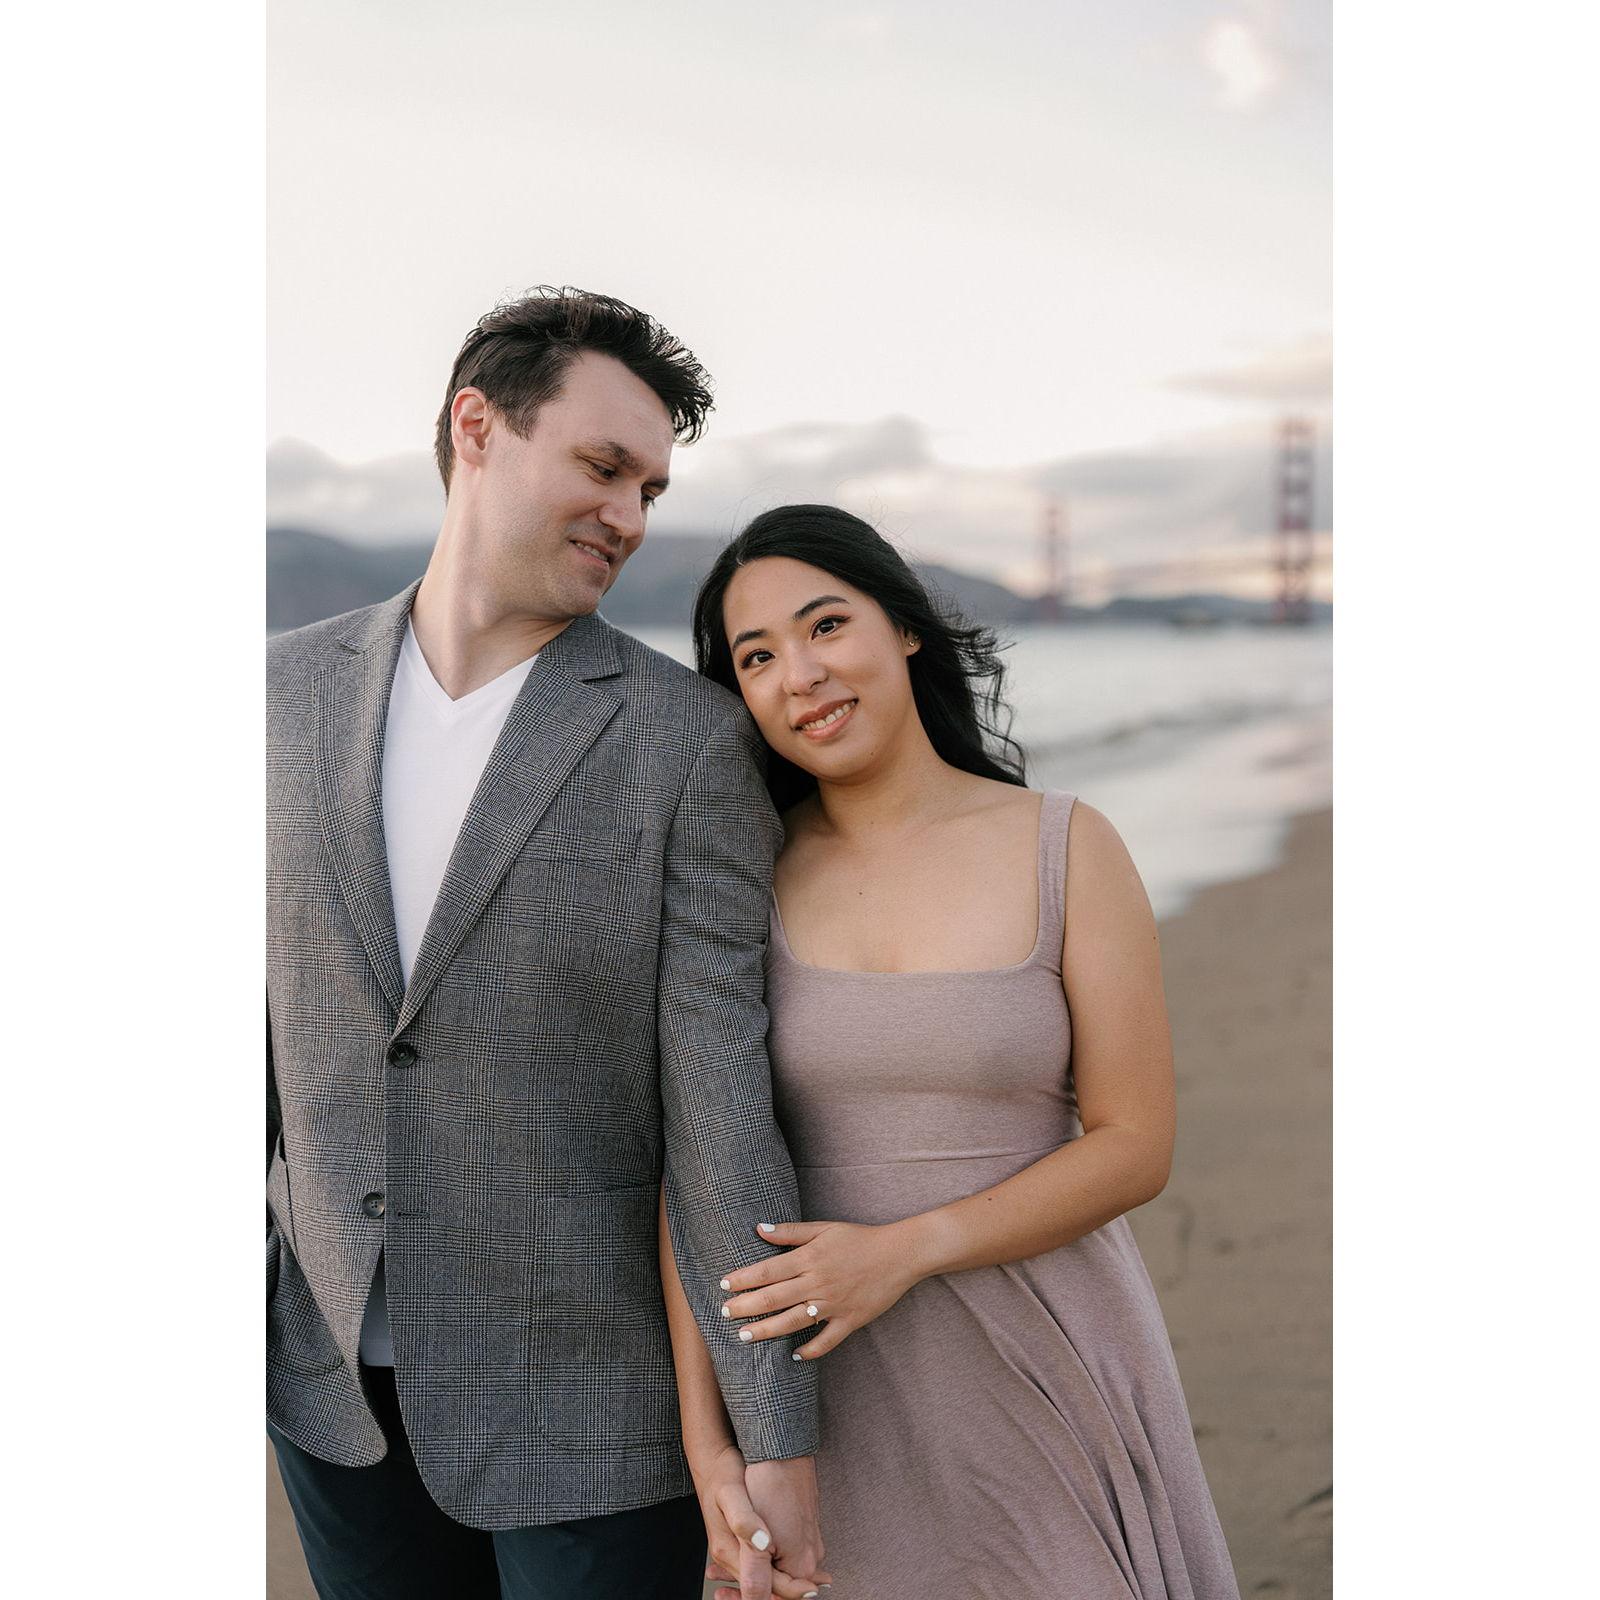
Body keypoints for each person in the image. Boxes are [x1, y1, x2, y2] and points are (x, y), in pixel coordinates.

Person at [266, 289, 828, 1600]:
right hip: (329, 1395)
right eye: (603, 465)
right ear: (478, 427)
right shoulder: (271, 696)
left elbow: (719, 1115)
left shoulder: (687, 744)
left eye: (648, 488)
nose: (629, 515)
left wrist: (773, 1435)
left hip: (592, 1405)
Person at [668, 503, 1242, 1597]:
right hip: (827, 1404)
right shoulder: (737, 877)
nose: (801, 674)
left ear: (904, 628)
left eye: (826, 625)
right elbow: (690, 1173)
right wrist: (713, 1452)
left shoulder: (1064, 844)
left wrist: (903, 1250)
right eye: (757, 656)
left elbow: (1135, 1143)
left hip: (1047, 1354)